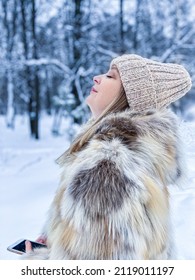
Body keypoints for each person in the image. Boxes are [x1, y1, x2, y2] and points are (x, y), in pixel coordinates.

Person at [22, 54, 192, 260]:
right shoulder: (136, 158)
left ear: (131, 96)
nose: (97, 77)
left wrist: (36, 260)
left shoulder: (107, 165)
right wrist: (55, 239)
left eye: (111, 77)